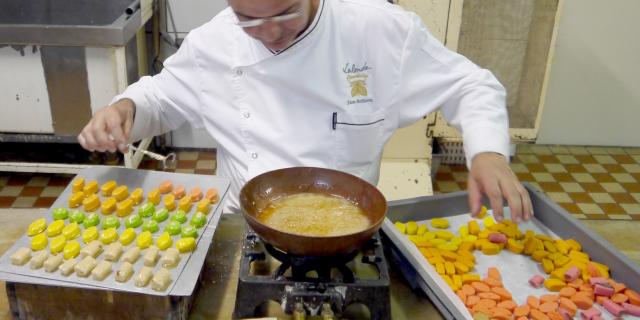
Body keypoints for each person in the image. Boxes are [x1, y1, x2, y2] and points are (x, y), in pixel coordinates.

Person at [78, 0, 533, 222]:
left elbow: (471, 84)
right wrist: (125, 108)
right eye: (250, 20)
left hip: (346, 227)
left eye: (287, 12)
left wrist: (488, 152)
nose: (271, 32)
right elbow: (162, 98)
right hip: (243, 224)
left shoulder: (377, 31)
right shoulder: (214, 43)